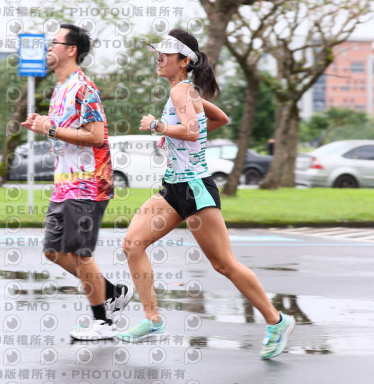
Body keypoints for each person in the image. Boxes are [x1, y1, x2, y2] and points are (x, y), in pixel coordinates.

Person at [116, 29, 295, 360]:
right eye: (158, 53)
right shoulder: (187, 92)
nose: (159, 58)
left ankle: (277, 319)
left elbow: (192, 130)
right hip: (174, 187)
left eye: (166, 54)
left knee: (223, 263)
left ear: (184, 61)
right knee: (133, 244)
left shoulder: (181, 91)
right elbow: (219, 119)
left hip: (195, 188)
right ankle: (152, 319)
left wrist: (159, 127)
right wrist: (173, 135)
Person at [22, 23, 133, 340]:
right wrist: (44, 124)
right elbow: (64, 133)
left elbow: (95, 136)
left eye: (54, 42)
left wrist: (50, 129)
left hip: (88, 184)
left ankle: (103, 322)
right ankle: (111, 292)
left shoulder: (84, 88)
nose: (48, 47)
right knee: (54, 251)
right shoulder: (61, 88)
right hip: (65, 183)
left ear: (71, 50)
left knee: (80, 253)